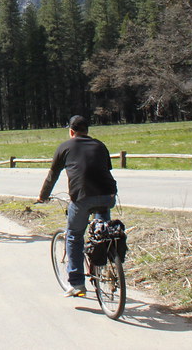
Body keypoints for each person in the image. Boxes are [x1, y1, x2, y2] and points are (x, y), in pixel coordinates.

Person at [36, 115, 118, 298]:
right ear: (87, 131)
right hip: (108, 195)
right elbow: (105, 170)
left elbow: (52, 176)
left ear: (71, 131)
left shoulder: (64, 147)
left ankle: (77, 283)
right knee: (102, 231)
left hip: (82, 198)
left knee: (74, 235)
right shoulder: (100, 145)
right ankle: (106, 268)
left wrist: (43, 196)